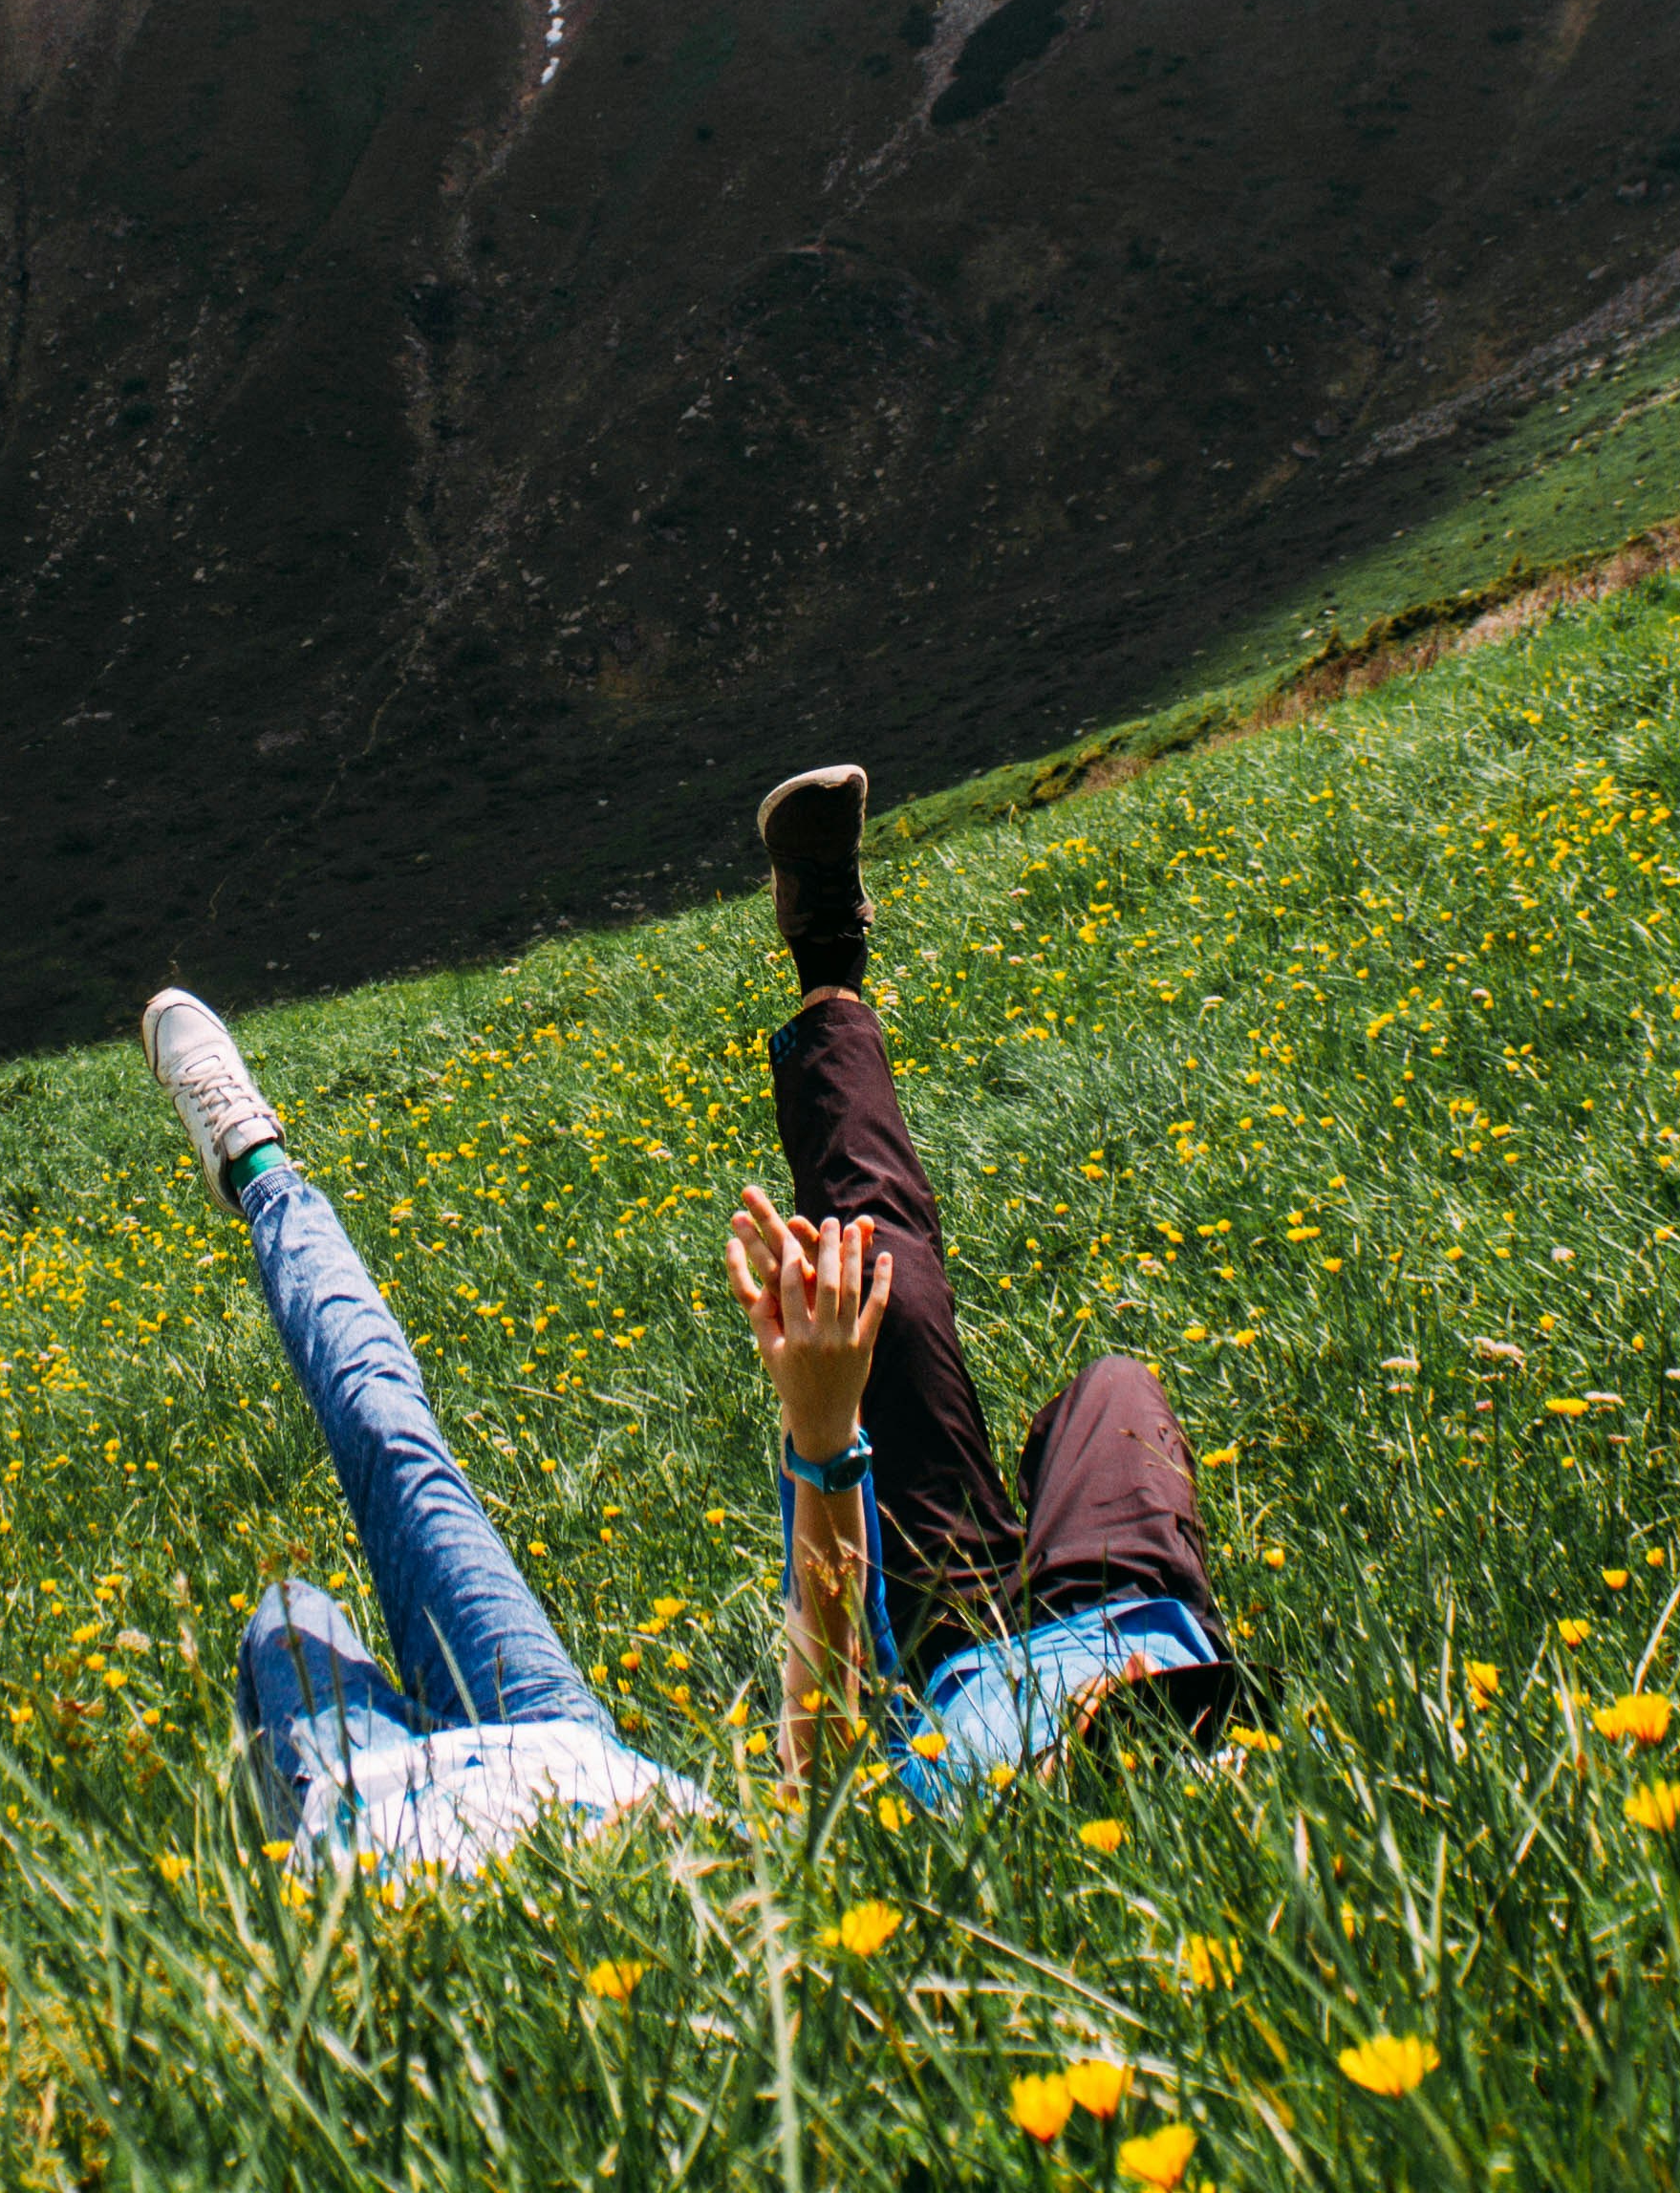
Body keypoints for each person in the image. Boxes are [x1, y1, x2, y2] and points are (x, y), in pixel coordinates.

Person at [721, 763, 1251, 1803]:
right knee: (1111, 1389)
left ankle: (828, 953)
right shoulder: (1221, 1788)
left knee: (885, 1284)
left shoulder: (956, 1807)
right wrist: (1172, 1702)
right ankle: (1047, 1528)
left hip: (949, 1637)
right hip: (1124, 1602)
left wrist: (824, 1437)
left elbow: (818, 1762)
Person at [142, 986, 700, 1873]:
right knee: (387, 1428)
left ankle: (288, 1859)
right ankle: (256, 1163)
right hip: (568, 1755)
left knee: (285, 1613)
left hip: (379, 1806)